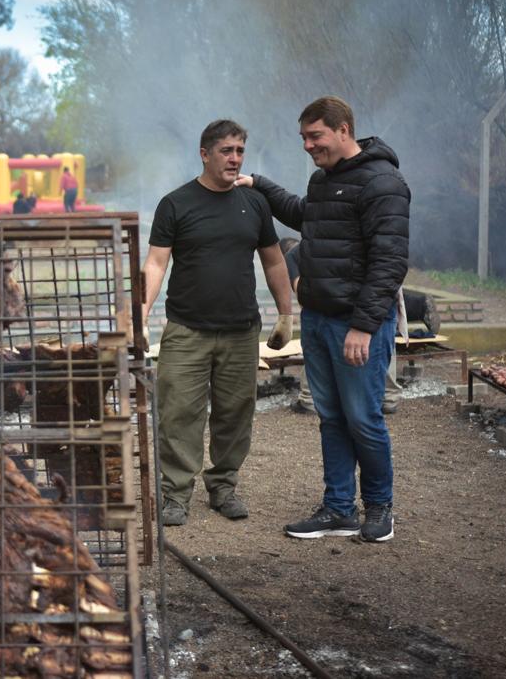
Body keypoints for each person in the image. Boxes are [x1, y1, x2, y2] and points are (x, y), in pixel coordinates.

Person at [237, 96, 409, 542]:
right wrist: (258, 183)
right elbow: (305, 216)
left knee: (362, 418)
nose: (309, 146)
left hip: (357, 325)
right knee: (331, 418)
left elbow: (390, 263)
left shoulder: (383, 183)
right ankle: (338, 508)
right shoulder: (324, 181)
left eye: (316, 136)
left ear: (344, 130)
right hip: (318, 320)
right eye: (305, 139)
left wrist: (364, 326)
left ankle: (379, 508)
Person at [142, 119, 293, 526]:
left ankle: (223, 486)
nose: (235, 159)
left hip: (241, 331)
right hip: (187, 330)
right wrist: (139, 314)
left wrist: (285, 313)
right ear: (205, 153)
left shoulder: (255, 203)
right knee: (178, 413)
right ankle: (175, 494)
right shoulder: (176, 203)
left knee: (235, 413)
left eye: (240, 151)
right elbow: (156, 263)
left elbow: (274, 259)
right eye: (227, 151)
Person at [281, 238, 440, 415]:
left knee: (371, 330)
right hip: (370, 285)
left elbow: (304, 295)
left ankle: (310, 398)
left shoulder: (297, 255)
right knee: (383, 331)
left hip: (359, 289)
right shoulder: (326, 241)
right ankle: (388, 396)